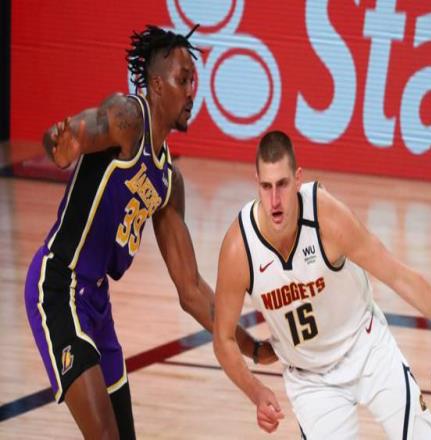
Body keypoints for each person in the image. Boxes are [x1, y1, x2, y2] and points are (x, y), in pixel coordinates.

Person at [24, 25, 272, 439]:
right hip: (58, 287)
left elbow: (191, 290)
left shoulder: (168, 182)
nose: (191, 92)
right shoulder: (127, 118)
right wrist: (59, 145)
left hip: (96, 303)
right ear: (156, 85)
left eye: (194, 81)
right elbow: (75, 131)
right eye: (183, 80)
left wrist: (254, 348)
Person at [213, 130, 431, 439]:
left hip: (366, 347)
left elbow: (398, 275)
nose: (275, 200)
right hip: (311, 380)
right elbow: (223, 338)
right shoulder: (240, 248)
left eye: (282, 184)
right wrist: (256, 392)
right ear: (256, 181)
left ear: (298, 179)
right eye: (266, 186)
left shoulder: (327, 218)